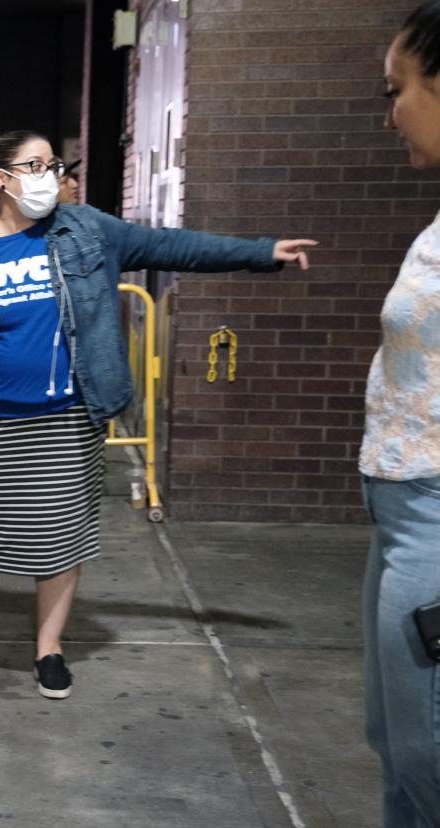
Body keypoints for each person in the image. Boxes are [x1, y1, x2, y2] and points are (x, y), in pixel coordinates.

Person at [0, 129, 316, 701]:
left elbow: (172, 246)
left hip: (68, 414)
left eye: (51, 164)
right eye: (34, 166)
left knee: (60, 537)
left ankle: (49, 646)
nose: (49, 176)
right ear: (1, 179)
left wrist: (261, 252)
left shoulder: (86, 229)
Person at [361, 3, 440, 825]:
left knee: (431, 753)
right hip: (398, 506)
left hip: (435, 513)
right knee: (398, 742)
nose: (392, 114)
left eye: (399, 90)